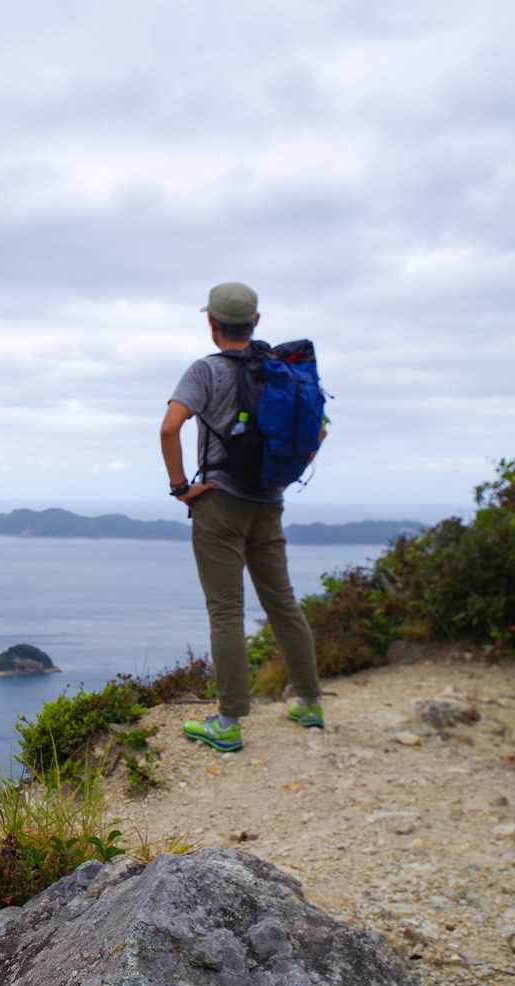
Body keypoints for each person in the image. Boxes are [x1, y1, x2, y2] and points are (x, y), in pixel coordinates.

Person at [158, 281, 325, 751]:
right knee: (283, 602)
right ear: (255, 323)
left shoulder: (205, 371)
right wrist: (281, 477)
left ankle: (228, 722)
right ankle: (310, 703)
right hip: (268, 503)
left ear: (212, 323)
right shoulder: (280, 371)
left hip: (219, 504)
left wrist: (181, 488)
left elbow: (170, 428)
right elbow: (318, 432)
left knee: (226, 610)